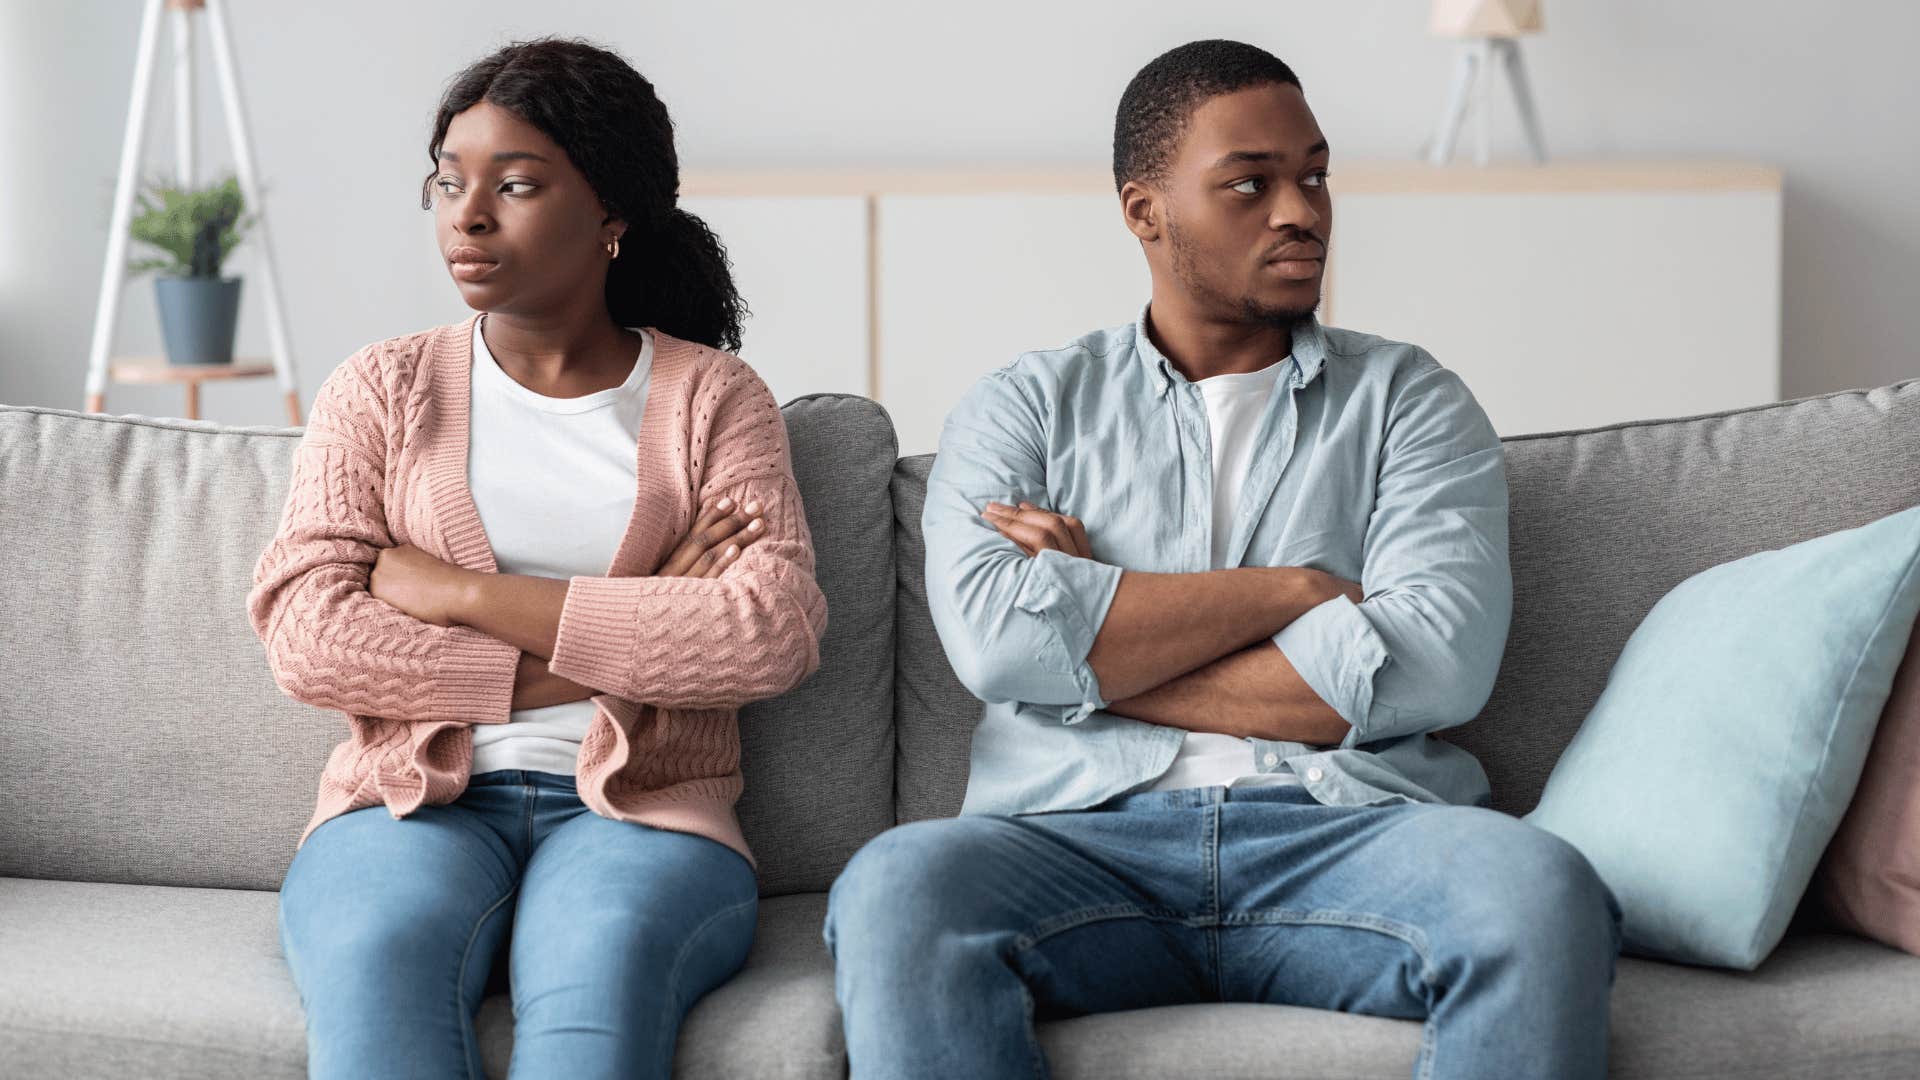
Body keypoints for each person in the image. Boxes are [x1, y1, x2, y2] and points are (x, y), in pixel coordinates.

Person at [825, 39, 1620, 1079]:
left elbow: (1434, 666)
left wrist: (1097, 642)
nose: (1302, 210)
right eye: (1251, 183)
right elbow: (994, 647)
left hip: (1352, 832)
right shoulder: (1025, 405)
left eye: (1315, 175)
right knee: (895, 886)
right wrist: (1296, 596)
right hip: (1074, 838)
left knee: (1541, 891)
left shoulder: (1412, 402)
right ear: (1144, 211)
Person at [247, 37, 827, 1080]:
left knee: (597, 976)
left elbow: (768, 633)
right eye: (448, 182)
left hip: (648, 813)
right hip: (407, 803)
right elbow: (308, 634)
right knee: (379, 967)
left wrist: (462, 593)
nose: (467, 215)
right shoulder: (380, 391)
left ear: (611, 215)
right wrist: (636, 621)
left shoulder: (711, 400)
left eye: (515, 185)